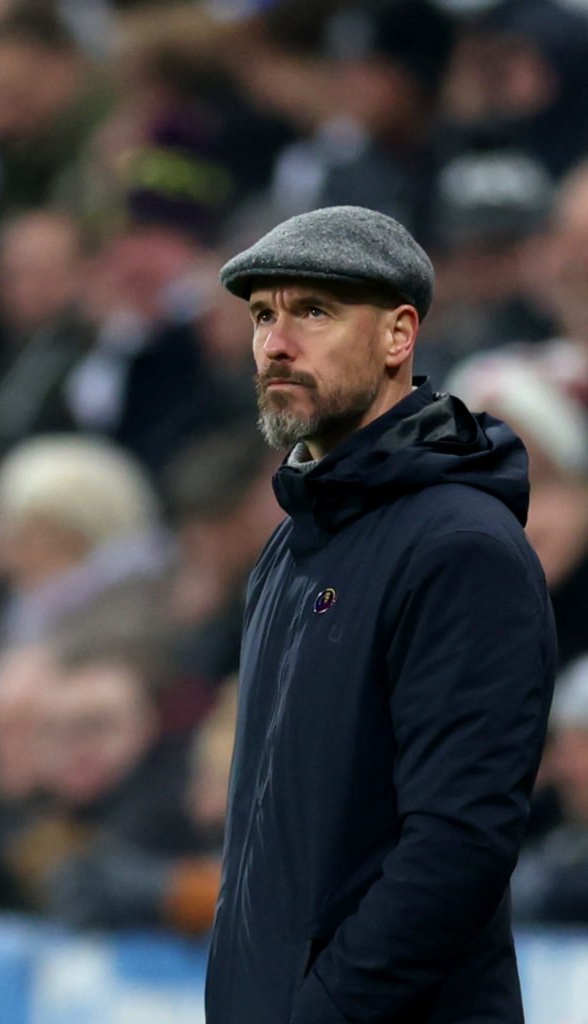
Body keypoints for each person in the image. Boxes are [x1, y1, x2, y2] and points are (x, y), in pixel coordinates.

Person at [207, 205, 557, 1023]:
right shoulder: (292, 549)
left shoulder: (461, 547)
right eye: (263, 315)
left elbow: (458, 845)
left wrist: (322, 1013)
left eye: (314, 312)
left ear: (400, 336)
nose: (275, 344)